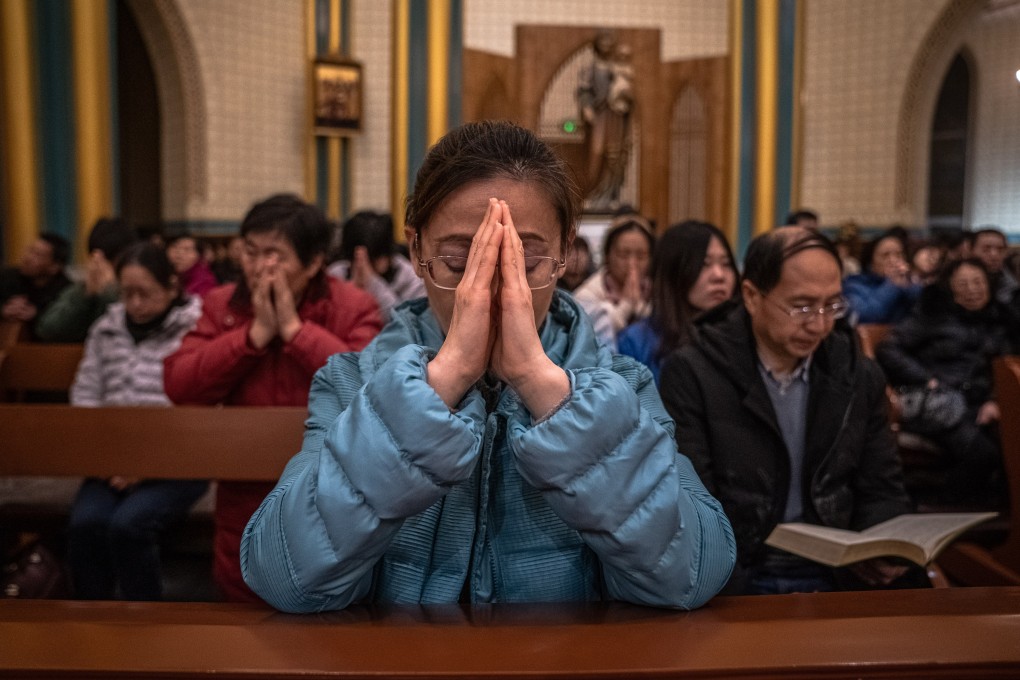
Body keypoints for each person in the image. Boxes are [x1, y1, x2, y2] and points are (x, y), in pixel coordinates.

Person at [241, 120, 735, 613]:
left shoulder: (623, 385)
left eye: (526, 261)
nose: (495, 288)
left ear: (566, 250)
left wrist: (544, 386)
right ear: (416, 250)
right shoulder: (351, 382)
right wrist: (445, 378)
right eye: (460, 262)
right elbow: (286, 576)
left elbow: (694, 572)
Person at [659, 227, 916, 595]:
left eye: (832, 305)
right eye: (802, 306)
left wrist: (884, 547)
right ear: (751, 296)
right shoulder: (694, 371)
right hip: (739, 572)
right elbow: (694, 505)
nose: (820, 325)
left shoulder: (856, 373)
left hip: (840, 569)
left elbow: (881, 488)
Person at [163, 194, 382, 602]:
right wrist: (252, 336)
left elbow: (368, 389)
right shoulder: (221, 305)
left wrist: (297, 333)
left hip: (331, 488)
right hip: (242, 487)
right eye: (249, 251)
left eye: (274, 255)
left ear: (314, 262)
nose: (258, 267)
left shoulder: (353, 306)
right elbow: (180, 384)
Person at [66, 243, 205, 600]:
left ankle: (145, 627)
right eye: (127, 293)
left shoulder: (194, 329)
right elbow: (86, 396)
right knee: (86, 523)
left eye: (146, 294)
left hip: (178, 463)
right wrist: (109, 458)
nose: (136, 305)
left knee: (129, 525)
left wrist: (147, 465)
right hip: (108, 461)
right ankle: (93, 628)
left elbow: (199, 409)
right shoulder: (105, 330)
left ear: (171, 287)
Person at [875, 258, 1014, 506]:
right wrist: (926, 379)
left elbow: (1007, 366)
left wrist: (994, 401)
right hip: (941, 404)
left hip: (983, 402)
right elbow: (889, 349)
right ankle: (944, 509)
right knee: (983, 454)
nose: (972, 289)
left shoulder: (1002, 320)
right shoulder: (932, 315)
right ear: (950, 288)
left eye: (978, 282)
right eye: (963, 283)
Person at [617, 221, 738, 385]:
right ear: (673, 270)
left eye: (726, 263)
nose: (719, 275)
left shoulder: (743, 336)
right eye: (704, 264)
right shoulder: (635, 342)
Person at [35, 218, 138, 343]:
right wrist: (85, 294)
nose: (103, 269)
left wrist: (109, 291)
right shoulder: (80, 289)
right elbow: (47, 330)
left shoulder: (137, 290)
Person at [572, 212, 654, 348]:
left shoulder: (657, 293)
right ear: (608, 255)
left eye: (640, 256)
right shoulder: (586, 295)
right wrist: (626, 306)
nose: (631, 263)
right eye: (623, 255)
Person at [326, 210, 425, 322]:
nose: (364, 265)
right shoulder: (336, 274)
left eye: (373, 258)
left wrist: (373, 283)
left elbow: (407, 325)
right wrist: (351, 290)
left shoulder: (410, 277)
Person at [576, 29, 634, 210]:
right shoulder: (590, 68)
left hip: (615, 117)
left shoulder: (618, 68)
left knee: (614, 155)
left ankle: (611, 196)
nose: (606, 45)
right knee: (596, 155)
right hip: (598, 117)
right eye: (603, 41)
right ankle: (593, 194)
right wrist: (586, 108)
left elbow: (629, 93)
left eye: (610, 41)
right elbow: (583, 91)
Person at [0, 233, 72, 339]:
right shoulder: (7, 277)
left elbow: (67, 326)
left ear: (54, 267)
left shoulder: (67, 290)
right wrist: (3, 310)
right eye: (30, 250)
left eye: (38, 255)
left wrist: (37, 316)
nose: (28, 258)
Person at [843, 227, 921, 324]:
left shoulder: (909, 283)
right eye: (885, 255)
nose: (893, 260)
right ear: (870, 263)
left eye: (899, 254)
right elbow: (864, 316)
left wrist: (910, 284)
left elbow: (927, 310)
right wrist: (892, 285)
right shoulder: (854, 285)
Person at [971, 228, 1018, 310]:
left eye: (1000, 249)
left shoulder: (1014, 289)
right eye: (986, 249)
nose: (994, 255)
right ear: (972, 251)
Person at [165, 230, 218, 298]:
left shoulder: (205, 282)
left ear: (199, 256)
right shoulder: (170, 276)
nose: (179, 255)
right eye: (176, 248)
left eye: (187, 250)